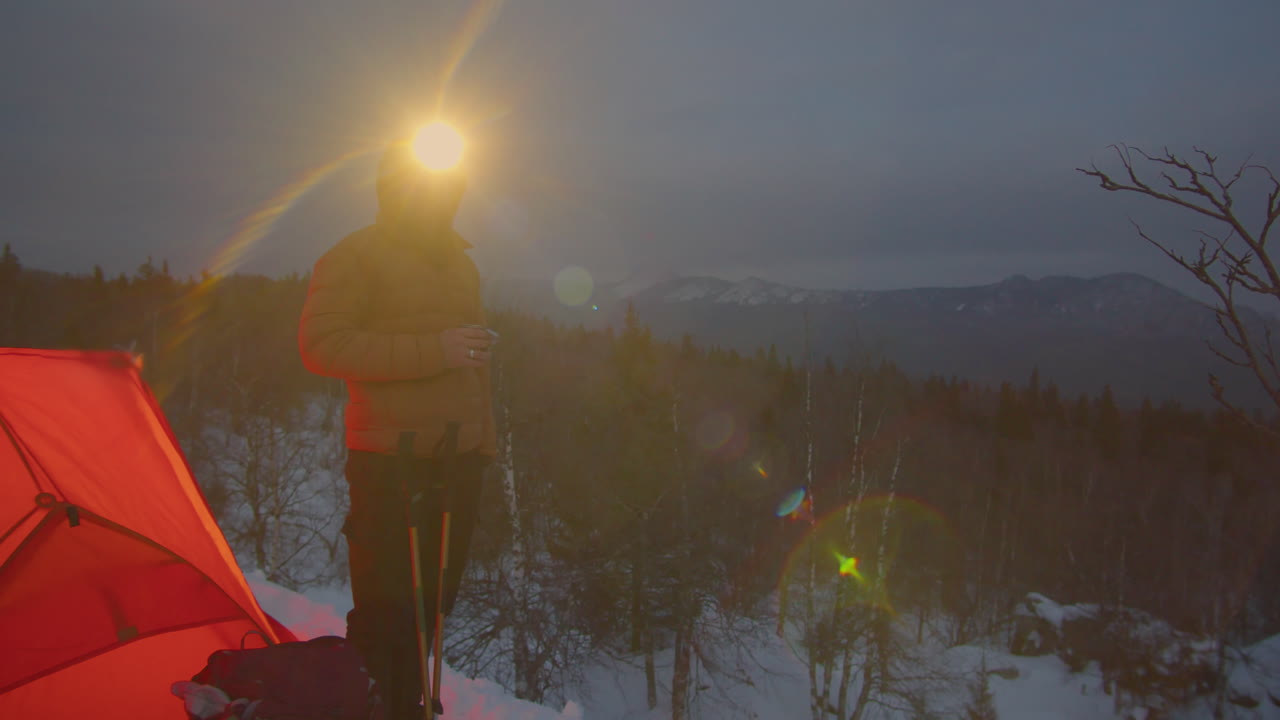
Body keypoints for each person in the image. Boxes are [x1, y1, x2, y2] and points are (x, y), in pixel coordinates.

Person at [297, 136, 496, 719]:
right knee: (388, 608)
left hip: (457, 461)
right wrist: (436, 349)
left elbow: (471, 364)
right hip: (390, 460)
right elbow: (321, 346)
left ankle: (404, 705)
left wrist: (484, 443)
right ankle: (371, 704)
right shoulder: (352, 256)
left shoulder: (461, 262)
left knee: (432, 605)